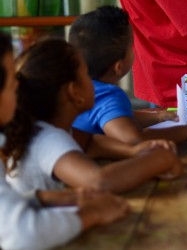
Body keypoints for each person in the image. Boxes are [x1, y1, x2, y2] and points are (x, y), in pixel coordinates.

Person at [3, 38, 183, 195]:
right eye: (85, 75)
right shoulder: (48, 139)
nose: (92, 82)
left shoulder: (49, 128)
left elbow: (91, 142)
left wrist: (132, 151)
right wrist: (161, 159)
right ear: (74, 92)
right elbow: (99, 182)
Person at [0, 31, 129, 250]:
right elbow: (23, 233)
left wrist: (43, 198)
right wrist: (93, 213)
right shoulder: (47, 136)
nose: (17, 87)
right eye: (12, 83)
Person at [69, 5, 187, 145]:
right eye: (131, 46)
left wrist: (158, 117)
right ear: (119, 67)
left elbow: (118, 117)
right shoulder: (108, 96)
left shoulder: (75, 88)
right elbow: (134, 140)